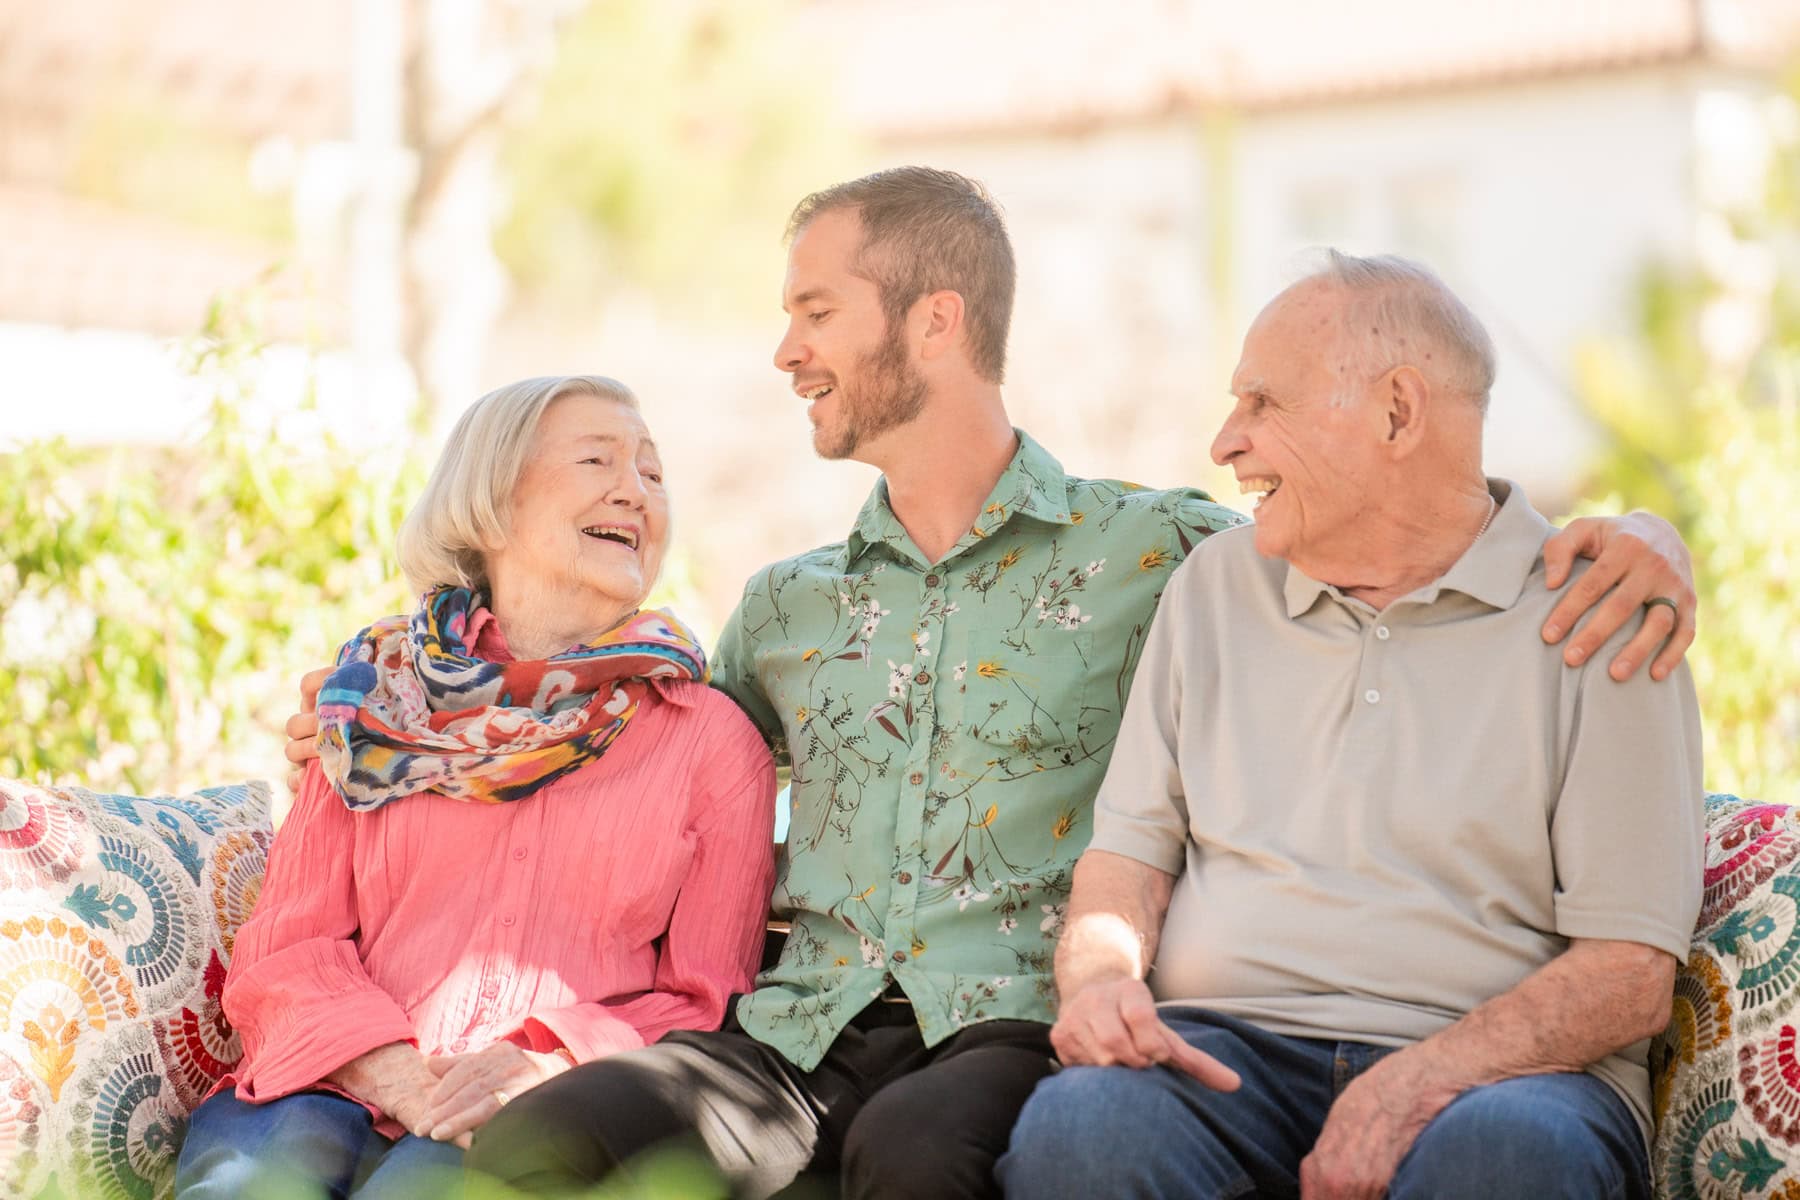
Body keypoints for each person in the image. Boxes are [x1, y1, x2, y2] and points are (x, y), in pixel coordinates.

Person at [288, 169, 1697, 1199]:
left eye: (816, 310)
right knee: (563, 1139)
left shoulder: (1171, 551)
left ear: (935, 323)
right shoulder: (786, 609)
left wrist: (1648, 537)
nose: (784, 349)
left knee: (935, 1149)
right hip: (808, 1027)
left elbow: (1425, 520)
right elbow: (633, 762)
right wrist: (389, 711)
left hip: (1002, 1025)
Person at [998, 253, 1703, 1200]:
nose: (1224, 442)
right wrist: (1099, 987)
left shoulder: (1600, 612)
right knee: (1081, 1131)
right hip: (1222, 1057)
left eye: (1261, 402)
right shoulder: (1213, 589)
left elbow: (1627, 975)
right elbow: (1124, 867)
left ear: (1398, 413)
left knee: (1505, 1162)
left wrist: (1414, 1083)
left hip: (1506, 1082)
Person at [174, 375, 777, 1199]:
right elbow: (289, 943)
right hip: (326, 1083)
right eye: (597, 458)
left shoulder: (708, 741)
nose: (634, 491)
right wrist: (391, 1068)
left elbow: (703, 1002)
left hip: (532, 1121)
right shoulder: (375, 697)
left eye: (653, 474)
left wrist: (551, 1056)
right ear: (491, 503)